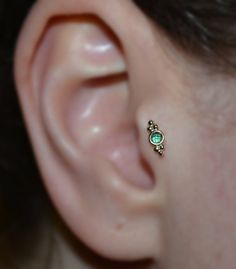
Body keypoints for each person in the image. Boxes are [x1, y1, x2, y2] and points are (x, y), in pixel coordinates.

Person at [1, 0, 236, 268]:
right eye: (154, 137)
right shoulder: (154, 134)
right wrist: (156, 140)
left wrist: (156, 140)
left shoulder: (155, 134)